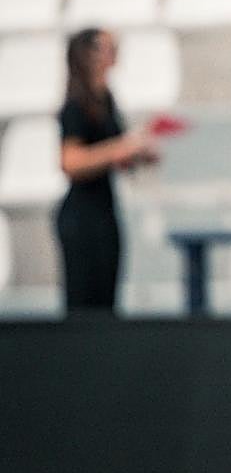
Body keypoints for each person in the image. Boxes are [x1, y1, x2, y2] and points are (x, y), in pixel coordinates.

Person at [57, 28, 157, 314]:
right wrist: (120, 149)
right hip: (82, 217)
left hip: (104, 211)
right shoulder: (76, 105)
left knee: (106, 302)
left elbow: (115, 155)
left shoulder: (106, 100)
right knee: (83, 303)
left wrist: (136, 153)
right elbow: (71, 162)